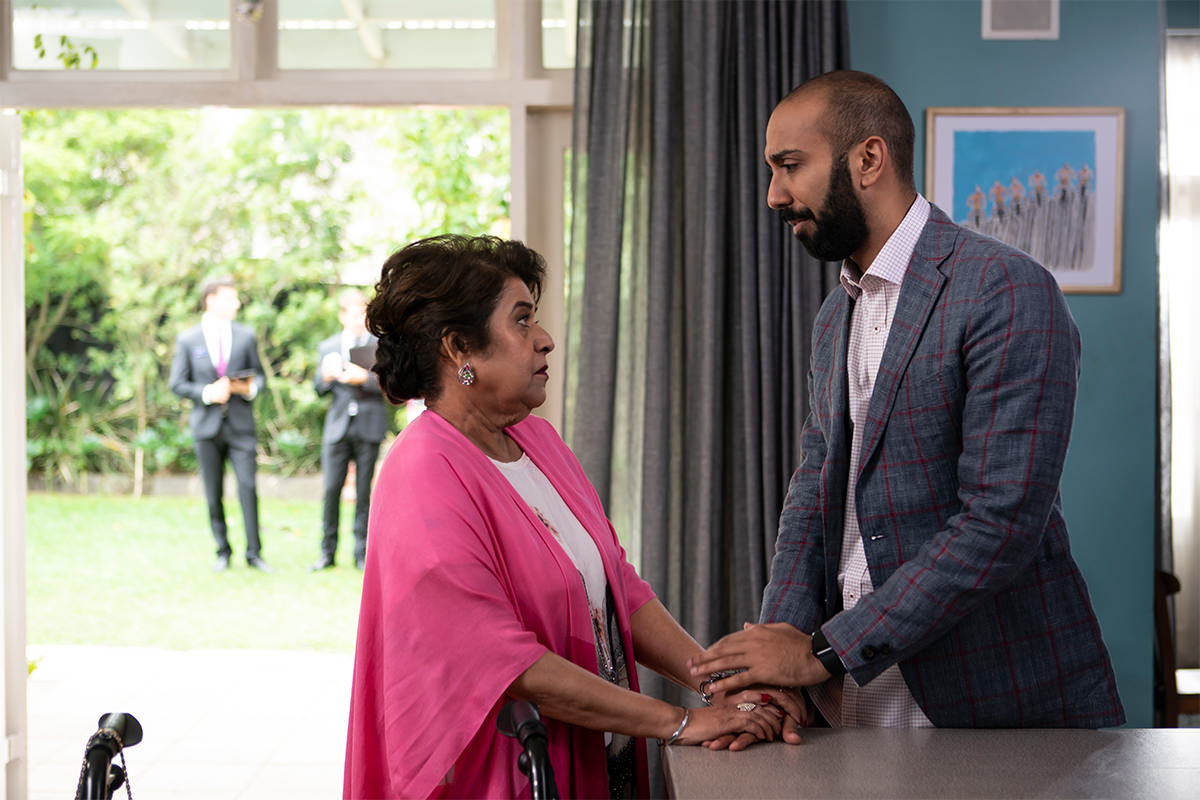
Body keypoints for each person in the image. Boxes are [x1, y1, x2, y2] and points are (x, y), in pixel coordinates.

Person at [688, 70, 1125, 738]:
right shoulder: (835, 315)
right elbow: (814, 492)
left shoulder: (1007, 290)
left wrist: (822, 650)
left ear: (868, 158)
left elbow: (1000, 524)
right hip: (849, 701)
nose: (774, 195)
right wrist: (775, 664)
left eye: (790, 166)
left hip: (993, 704)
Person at [344, 235, 800, 800]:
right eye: (522, 321)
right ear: (460, 348)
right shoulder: (423, 472)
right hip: (510, 774)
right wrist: (679, 721)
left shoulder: (538, 441)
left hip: (602, 756)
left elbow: (618, 591)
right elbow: (504, 664)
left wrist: (718, 684)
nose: (545, 339)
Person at [168, 277, 270, 572]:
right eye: (231, 298)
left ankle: (254, 553)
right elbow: (177, 383)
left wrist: (246, 389)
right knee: (213, 492)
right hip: (206, 427)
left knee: (248, 487)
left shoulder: (246, 335)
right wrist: (206, 393)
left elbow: (260, 378)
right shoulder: (188, 339)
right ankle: (222, 551)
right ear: (211, 300)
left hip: (241, 426)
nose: (237, 303)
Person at [311, 288, 387, 572]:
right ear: (343, 316)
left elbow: (390, 386)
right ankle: (326, 552)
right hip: (338, 427)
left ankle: (361, 553)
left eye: (363, 313)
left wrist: (364, 378)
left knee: (365, 493)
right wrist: (325, 376)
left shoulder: (379, 345)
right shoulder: (328, 346)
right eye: (353, 314)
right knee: (331, 490)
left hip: (369, 424)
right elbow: (318, 389)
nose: (358, 319)